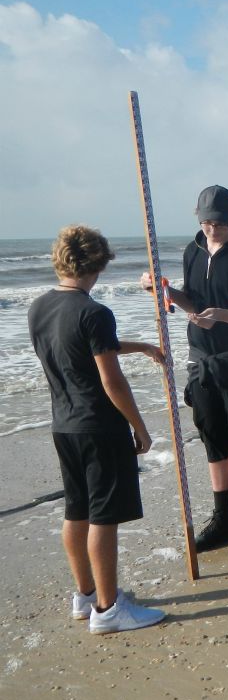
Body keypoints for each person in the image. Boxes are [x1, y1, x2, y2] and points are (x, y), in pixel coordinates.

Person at [29, 225, 166, 634]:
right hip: (99, 426)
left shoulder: (40, 307)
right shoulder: (94, 312)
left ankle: (85, 596)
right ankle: (108, 610)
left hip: (64, 424)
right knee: (103, 516)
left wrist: (140, 345)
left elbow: (80, 345)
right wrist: (139, 426)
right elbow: (111, 380)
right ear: (98, 264)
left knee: (77, 510)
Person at [142, 185, 228, 557]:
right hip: (201, 361)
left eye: (218, 223)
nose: (211, 230)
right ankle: (222, 519)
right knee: (214, 440)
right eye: (205, 222)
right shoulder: (193, 250)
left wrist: (223, 316)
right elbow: (193, 301)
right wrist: (166, 293)